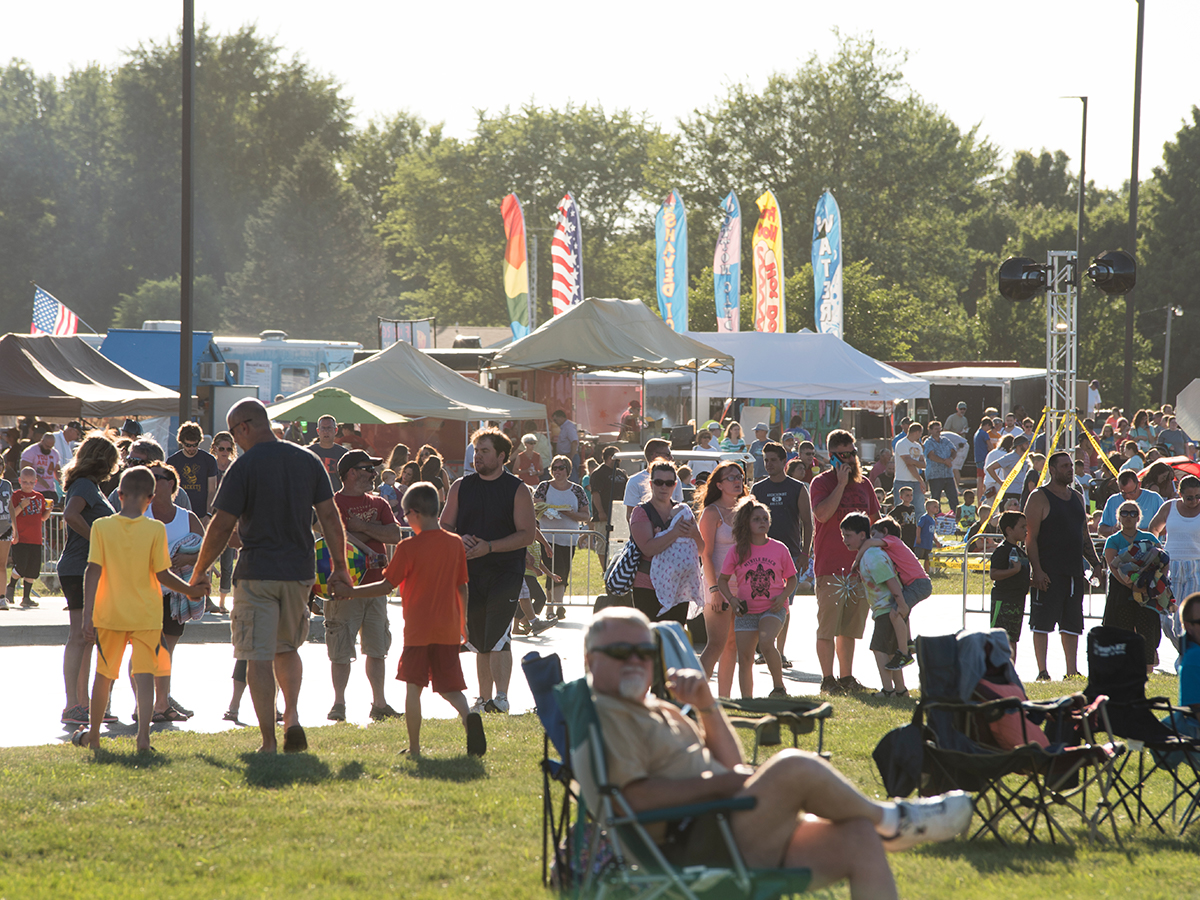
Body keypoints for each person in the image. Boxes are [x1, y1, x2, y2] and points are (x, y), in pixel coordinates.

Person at [584, 607, 972, 899]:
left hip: (727, 824)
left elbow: (733, 765)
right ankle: (896, 818)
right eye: (621, 651)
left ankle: (887, 823)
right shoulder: (605, 712)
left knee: (858, 837)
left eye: (643, 650)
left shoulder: (661, 709)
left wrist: (706, 705)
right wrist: (721, 784)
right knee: (795, 766)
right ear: (590, 659)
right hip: (692, 841)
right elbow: (630, 799)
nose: (635, 659)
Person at [191, 398, 352, 754]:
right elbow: (330, 518)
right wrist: (340, 568)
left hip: (256, 574)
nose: (235, 443)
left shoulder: (244, 466)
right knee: (288, 649)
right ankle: (292, 717)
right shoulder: (308, 460)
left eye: (234, 435)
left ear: (244, 428)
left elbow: (220, 526)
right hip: (298, 574)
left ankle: (268, 741)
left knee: (257, 656)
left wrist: (200, 572)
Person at [72, 466, 209, 753]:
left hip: (109, 614)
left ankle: (94, 736)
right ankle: (143, 739)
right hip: (147, 615)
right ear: (150, 498)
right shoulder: (155, 528)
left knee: (104, 676)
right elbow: (164, 575)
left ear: (118, 495)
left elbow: (92, 571)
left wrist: (88, 615)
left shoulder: (101, 527)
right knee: (145, 676)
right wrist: (192, 590)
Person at [346, 483, 486, 757]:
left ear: (415, 513)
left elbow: (387, 585)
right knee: (451, 687)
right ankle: (469, 717)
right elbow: (462, 586)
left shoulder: (408, 547)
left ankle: (415, 748)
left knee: (414, 688)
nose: (405, 521)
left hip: (419, 631)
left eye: (406, 516)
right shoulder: (455, 543)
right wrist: (463, 621)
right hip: (447, 628)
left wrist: (351, 592)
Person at [440, 427, 536, 714]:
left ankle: (502, 697)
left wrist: (490, 546)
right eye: (476, 451)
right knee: (479, 639)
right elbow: (444, 526)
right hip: (469, 574)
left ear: (502, 456)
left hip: (505, 572)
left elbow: (527, 534)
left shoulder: (517, 489)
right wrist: (459, 538)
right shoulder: (461, 486)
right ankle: (483, 699)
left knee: (499, 635)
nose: (477, 456)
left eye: (484, 451)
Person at [326, 449, 403, 722]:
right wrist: (365, 538)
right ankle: (339, 704)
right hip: (344, 589)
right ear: (351, 473)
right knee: (340, 650)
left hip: (377, 586)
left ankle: (379, 703)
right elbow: (332, 533)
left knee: (377, 648)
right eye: (367, 469)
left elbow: (394, 534)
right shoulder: (332, 503)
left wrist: (360, 526)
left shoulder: (380, 503)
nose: (373, 474)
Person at [810, 429, 880, 695]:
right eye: (843, 455)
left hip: (859, 569)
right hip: (830, 567)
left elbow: (875, 521)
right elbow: (823, 514)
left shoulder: (864, 484)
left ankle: (846, 676)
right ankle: (828, 679)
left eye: (852, 453)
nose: (850, 460)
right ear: (832, 457)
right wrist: (840, 484)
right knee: (828, 627)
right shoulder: (821, 483)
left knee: (850, 628)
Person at [57, 432, 119, 726]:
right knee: (80, 636)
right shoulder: (84, 484)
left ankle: (84, 702)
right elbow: (70, 515)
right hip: (79, 567)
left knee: (88, 636)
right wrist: (98, 540)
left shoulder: (90, 486)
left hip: (86, 567)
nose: (113, 468)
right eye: (111, 461)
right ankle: (73, 704)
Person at [1024, 451, 1102, 682]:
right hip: (1048, 572)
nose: (1070, 469)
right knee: (1042, 623)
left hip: (1073, 571)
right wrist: (1037, 570)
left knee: (1072, 624)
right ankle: (1042, 671)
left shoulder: (1077, 497)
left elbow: (1084, 535)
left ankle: (1071, 670)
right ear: (1052, 469)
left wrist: (1096, 563)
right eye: (1065, 466)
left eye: (1071, 465)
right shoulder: (1039, 497)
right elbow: (1030, 538)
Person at [143, 460, 205, 723]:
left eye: (156, 476)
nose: (151, 480)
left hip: (176, 596)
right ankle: (144, 706)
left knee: (166, 651)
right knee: (148, 650)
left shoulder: (187, 517)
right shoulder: (140, 515)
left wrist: (191, 561)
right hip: (145, 594)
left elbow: (206, 549)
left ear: (171, 484)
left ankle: (161, 703)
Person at [717, 499, 797, 699]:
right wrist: (731, 599)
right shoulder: (737, 551)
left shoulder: (779, 548)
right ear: (747, 523)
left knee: (766, 640)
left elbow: (793, 578)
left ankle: (779, 688)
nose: (762, 522)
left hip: (774, 608)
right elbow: (723, 580)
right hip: (746, 610)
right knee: (745, 659)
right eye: (756, 519)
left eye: (765, 518)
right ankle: (747, 701)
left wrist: (784, 596)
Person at [841, 514, 920, 693]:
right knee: (892, 652)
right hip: (884, 608)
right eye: (843, 535)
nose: (844, 539)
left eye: (848, 535)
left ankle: (888, 690)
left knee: (879, 649)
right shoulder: (869, 554)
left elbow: (890, 580)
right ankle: (900, 690)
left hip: (887, 608)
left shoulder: (872, 555)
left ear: (863, 535)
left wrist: (900, 604)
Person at [752, 441, 812, 670]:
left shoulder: (797, 488)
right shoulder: (758, 489)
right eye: (765, 460)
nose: (768, 464)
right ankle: (764, 648)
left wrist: (805, 552)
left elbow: (808, 522)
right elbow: (749, 521)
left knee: (783, 604)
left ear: (784, 462)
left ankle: (780, 651)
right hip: (760, 555)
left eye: (773, 460)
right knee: (761, 602)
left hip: (790, 556)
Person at [628, 460, 705, 626]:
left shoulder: (683, 510)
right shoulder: (641, 513)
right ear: (651, 484)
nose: (664, 487)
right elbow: (648, 549)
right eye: (659, 482)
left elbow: (700, 550)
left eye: (669, 483)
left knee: (675, 637)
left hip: (680, 586)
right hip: (648, 585)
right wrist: (675, 532)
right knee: (651, 638)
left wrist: (694, 534)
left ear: (675, 485)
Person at [698, 461, 748, 696]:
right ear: (718, 485)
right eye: (731, 477)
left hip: (743, 585)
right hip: (717, 582)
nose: (737, 480)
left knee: (732, 645)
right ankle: (694, 697)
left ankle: (725, 701)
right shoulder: (711, 512)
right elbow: (705, 554)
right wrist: (715, 589)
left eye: (740, 476)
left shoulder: (747, 509)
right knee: (716, 644)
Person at [1102, 498, 1164, 674]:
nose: (1128, 517)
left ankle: (1147, 668)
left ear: (1139, 517)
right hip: (1122, 591)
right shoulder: (1113, 540)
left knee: (1147, 631)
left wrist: (1153, 585)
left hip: (1147, 590)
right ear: (1118, 518)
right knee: (1123, 630)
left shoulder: (1149, 538)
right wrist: (1132, 586)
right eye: (1124, 513)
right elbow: (1113, 567)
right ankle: (1125, 669)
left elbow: (1161, 561)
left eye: (1133, 513)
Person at [533, 456, 590, 620]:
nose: (557, 471)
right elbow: (535, 507)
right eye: (554, 468)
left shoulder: (577, 490)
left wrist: (571, 514)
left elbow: (586, 515)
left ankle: (556, 605)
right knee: (554, 570)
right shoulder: (544, 487)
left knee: (563, 571)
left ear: (568, 470)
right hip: (547, 537)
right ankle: (555, 607)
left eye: (561, 468)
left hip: (569, 538)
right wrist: (546, 510)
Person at [1149, 475, 1200, 650]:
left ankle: (1186, 658)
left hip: (1195, 567)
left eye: (1197, 497)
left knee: (1187, 618)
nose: (1194, 501)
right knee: (1165, 618)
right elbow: (1153, 529)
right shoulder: (1169, 507)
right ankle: (1184, 652)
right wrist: (1156, 553)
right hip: (1171, 566)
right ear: (1180, 494)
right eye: (1189, 497)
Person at [988, 511, 1030, 662]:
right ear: (1009, 530)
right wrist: (1013, 570)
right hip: (1003, 600)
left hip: (1017, 601)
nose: (1026, 530)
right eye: (1022, 526)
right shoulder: (1002, 550)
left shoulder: (1020, 551)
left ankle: (1010, 671)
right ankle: (997, 671)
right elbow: (994, 574)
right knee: (1001, 638)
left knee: (1013, 638)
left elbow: (1021, 576)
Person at [8, 466, 51, 607]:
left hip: (36, 538)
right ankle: (11, 586)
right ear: (20, 481)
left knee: (33, 569)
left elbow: (43, 517)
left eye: (31, 482)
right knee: (20, 566)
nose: (28, 485)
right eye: (25, 482)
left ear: (36, 482)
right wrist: (21, 505)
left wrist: (49, 511)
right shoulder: (15, 496)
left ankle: (26, 598)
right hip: (21, 537)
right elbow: (11, 514)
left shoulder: (39, 497)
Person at [166, 422, 219, 519]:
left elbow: (212, 491)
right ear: (181, 442)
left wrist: (208, 514)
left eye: (195, 445)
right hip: (179, 514)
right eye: (188, 445)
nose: (192, 448)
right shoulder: (172, 461)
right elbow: (168, 490)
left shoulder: (209, 460)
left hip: (202, 515)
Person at [210, 431, 237, 614]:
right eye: (221, 448)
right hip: (211, 517)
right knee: (208, 560)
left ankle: (221, 601)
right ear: (215, 449)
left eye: (228, 448)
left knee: (227, 562)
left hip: (229, 519)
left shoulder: (235, 467)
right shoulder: (210, 466)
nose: (225, 452)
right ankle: (206, 600)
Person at [624, 438, 683, 522]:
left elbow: (679, 508)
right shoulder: (634, 481)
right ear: (655, 456)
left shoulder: (675, 478)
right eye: (668, 454)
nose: (671, 457)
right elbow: (630, 514)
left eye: (669, 483)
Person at [588, 445, 626, 567]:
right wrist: (600, 512)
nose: (620, 461)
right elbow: (595, 493)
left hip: (619, 516)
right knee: (603, 544)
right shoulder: (598, 473)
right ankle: (605, 569)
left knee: (620, 544)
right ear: (611, 457)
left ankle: (616, 568)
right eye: (618, 457)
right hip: (604, 516)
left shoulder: (621, 474)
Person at [1098, 469, 1164, 537]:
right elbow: (1101, 529)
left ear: (1139, 485)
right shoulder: (1112, 500)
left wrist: (1141, 533)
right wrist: (1112, 530)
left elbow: (1167, 527)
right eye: (1123, 493)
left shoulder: (1154, 499)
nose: (1127, 496)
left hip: (1148, 545)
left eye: (1131, 492)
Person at [922, 421, 959, 511]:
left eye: (940, 429)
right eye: (936, 429)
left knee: (953, 497)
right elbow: (931, 455)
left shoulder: (945, 440)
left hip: (948, 474)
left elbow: (954, 451)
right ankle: (937, 517)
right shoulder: (928, 442)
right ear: (930, 430)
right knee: (935, 498)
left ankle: (956, 516)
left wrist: (950, 459)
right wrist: (944, 461)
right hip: (935, 475)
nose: (938, 431)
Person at [892, 422, 927, 513]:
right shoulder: (902, 443)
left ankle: (918, 527)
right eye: (920, 433)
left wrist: (913, 462)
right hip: (902, 480)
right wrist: (920, 480)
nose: (920, 435)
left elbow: (923, 464)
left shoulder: (918, 446)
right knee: (902, 510)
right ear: (916, 432)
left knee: (919, 510)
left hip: (916, 482)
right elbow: (908, 463)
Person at [308, 414, 348, 491]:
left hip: (336, 497)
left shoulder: (344, 454)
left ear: (335, 430)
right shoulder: (308, 453)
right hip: (314, 496)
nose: (326, 431)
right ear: (318, 431)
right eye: (323, 428)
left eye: (329, 428)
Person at [21, 429, 62, 503]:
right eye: (47, 446)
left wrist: (62, 482)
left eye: (51, 446)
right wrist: (39, 479)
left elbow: (57, 471)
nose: (49, 449)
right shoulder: (31, 451)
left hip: (50, 490)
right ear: (42, 441)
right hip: (34, 489)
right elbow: (24, 470)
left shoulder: (54, 453)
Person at [915, 499, 941, 574]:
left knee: (927, 558)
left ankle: (926, 572)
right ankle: (915, 571)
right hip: (921, 542)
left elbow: (932, 532)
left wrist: (936, 541)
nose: (937, 508)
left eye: (938, 507)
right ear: (928, 508)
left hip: (928, 543)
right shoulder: (924, 518)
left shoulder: (933, 520)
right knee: (918, 557)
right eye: (935, 507)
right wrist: (918, 537)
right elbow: (919, 527)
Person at [973, 416, 994, 500]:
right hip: (984, 459)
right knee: (985, 482)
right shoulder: (984, 434)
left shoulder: (977, 433)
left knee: (979, 481)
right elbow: (991, 447)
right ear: (987, 425)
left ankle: (979, 501)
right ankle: (984, 499)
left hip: (978, 459)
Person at [0, 470, 11, 610]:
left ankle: (2, 597)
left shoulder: (7, 485)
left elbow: (11, 507)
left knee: (2, 564)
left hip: (5, 528)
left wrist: (15, 527)